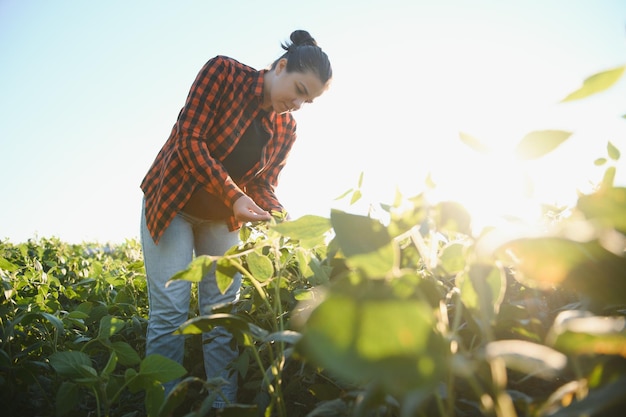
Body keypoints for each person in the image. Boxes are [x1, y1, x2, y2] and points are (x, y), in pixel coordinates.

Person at [139, 29, 332, 409]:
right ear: (279, 66)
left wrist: (280, 218)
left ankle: (222, 406)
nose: (297, 103)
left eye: (307, 100)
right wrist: (234, 195)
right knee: (170, 313)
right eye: (297, 89)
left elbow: (263, 184)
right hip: (172, 205)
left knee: (222, 318)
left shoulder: (286, 129)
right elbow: (188, 140)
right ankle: (164, 406)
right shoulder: (223, 73)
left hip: (222, 220)